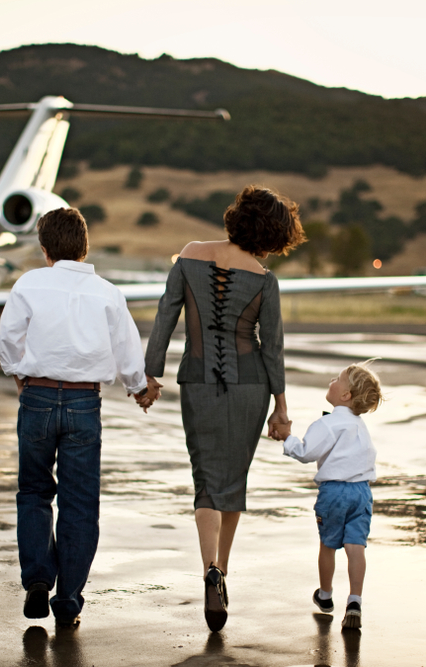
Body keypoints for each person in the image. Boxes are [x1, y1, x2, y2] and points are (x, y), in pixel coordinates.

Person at [141, 185, 306, 631]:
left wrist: (149, 376)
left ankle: (209, 568)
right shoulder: (264, 280)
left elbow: (165, 317)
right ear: (272, 235)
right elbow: (272, 349)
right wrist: (281, 408)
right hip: (250, 387)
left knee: (206, 480)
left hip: (197, 382)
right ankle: (222, 571)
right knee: (233, 478)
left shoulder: (190, 255)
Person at [0, 207, 150, 628]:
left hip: (38, 396)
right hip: (85, 403)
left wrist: (18, 376)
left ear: (44, 249)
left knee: (33, 491)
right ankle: (68, 599)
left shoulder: (28, 283)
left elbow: (9, 339)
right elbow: (127, 350)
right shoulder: (107, 292)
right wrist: (140, 388)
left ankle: (37, 579)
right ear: (85, 247)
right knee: (80, 503)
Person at [272, 360, 383, 630]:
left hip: (334, 492)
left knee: (328, 544)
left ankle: (325, 595)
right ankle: (355, 600)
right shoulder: (360, 426)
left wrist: (287, 437)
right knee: (356, 546)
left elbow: (306, 452)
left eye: (337, 379)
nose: (331, 381)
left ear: (345, 395)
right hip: (361, 492)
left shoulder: (330, 422)